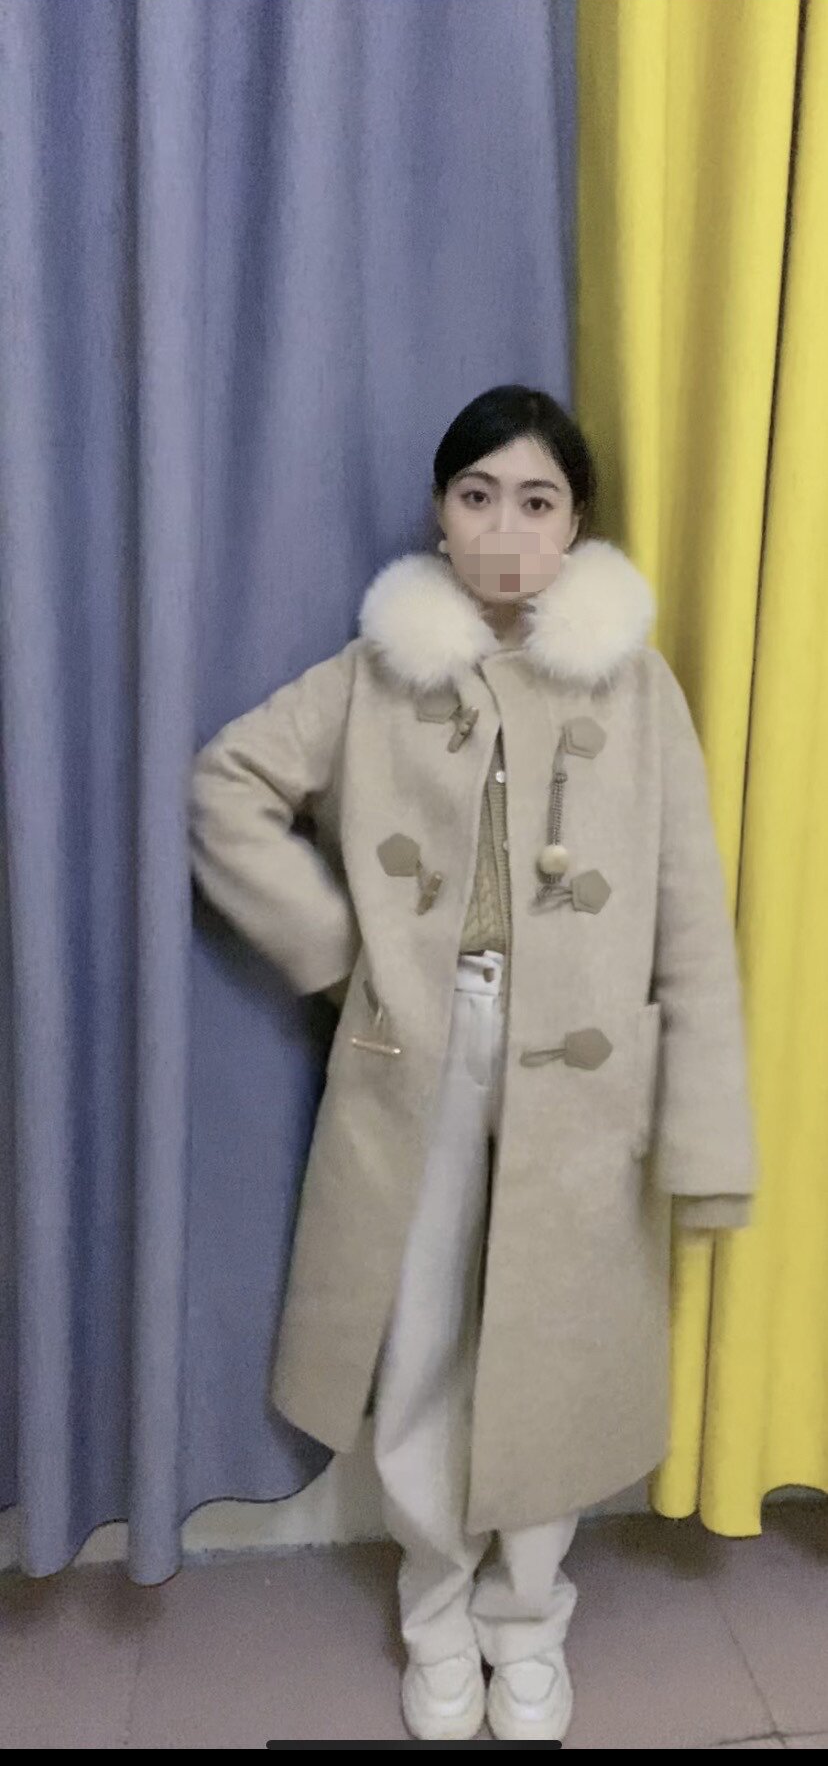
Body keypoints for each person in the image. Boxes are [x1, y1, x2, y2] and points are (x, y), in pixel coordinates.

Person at [188, 384, 756, 1743]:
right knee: (429, 1342)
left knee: (556, 1349)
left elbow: (691, 918)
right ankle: (436, 1612)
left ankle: (530, 1621)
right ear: (441, 516)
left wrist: (705, 1131)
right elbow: (227, 786)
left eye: (537, 500)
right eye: (477, 494)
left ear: (577, 526)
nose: (505, 527)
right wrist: (344, 950)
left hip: (587, 1079)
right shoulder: (375, 673)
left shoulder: (638, 688)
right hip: (421, 1062)